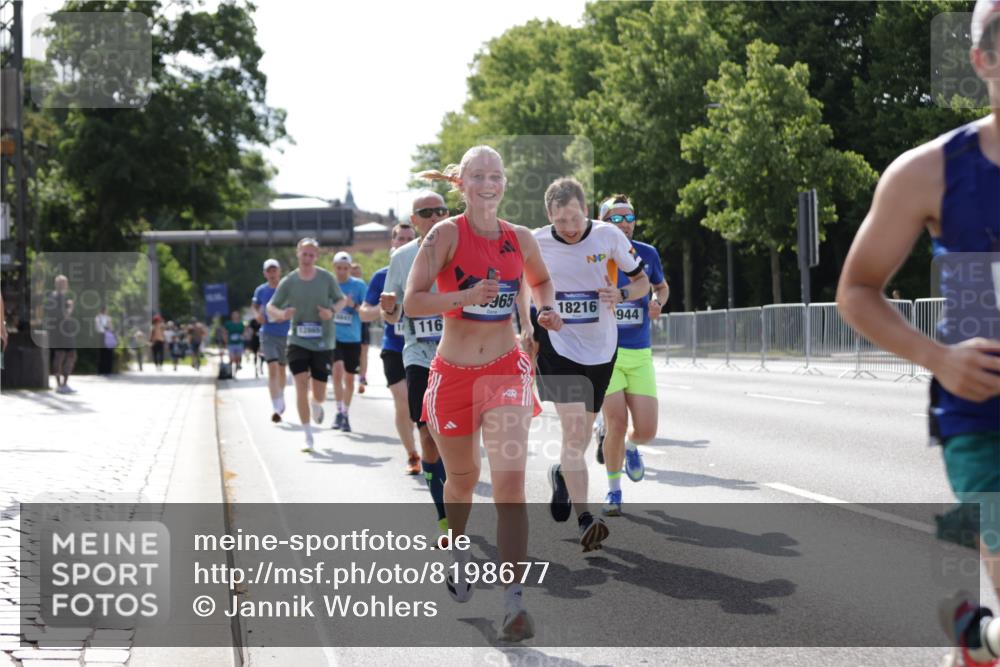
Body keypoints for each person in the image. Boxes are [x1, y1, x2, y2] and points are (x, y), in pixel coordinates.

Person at [837, 3, 1000, 665]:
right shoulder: (927, 172)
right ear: (983, 62)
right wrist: (936, 357)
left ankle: (977, 638)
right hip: (982, 412)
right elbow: (856, 289)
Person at [406, 145, 561, 642]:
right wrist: (466, 297)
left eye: (496, 175)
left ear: (505, 183)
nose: (488, 183)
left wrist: (545, 311)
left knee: (511, 486)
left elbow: (540, 282)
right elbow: (413, 301)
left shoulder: (520, 238)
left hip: (505, 372)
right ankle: (454, 548)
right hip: (452, 375)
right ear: (462, 184)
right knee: (462, 481)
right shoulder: (445, 234)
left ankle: (514, 604)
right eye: (478, 176)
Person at [529, 178, 649, 549]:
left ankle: (563, 474)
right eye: (561, 220)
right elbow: (522, 287)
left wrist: (622, 292)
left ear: (587, 210)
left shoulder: (608, 236)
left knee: (579, 438)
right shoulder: (534, 242)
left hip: (601, 348)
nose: (569, 227)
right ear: (549, 215)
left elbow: (642, 282)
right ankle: (585, 519)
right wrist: (535, 318)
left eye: (575, 218)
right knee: (573, 431)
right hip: (558, 345)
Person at [383, 195, 453, 536]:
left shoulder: (461, 248)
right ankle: (443, 514)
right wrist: (388, 309)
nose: (436, 216)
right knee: (427, 434)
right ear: (415, 220)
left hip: (460, 354)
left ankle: (456, 487)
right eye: (427, 213)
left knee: (456, 439)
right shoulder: (402, 257)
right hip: (418, 356)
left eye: (442, 211)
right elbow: (392, 312)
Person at [594, 194, 669, 516]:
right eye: (616, 218)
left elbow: (661, 287)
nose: (625, 224)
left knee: (648, 430)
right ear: (603, 221)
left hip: (638, 351)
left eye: (629, 218)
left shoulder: (647, 253)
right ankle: (613, 490)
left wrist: (658, 302)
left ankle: (632, 446)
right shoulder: (593, 255)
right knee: (615, 421)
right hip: (605, 353)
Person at [267, 237, 348, 452]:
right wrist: (282, 314)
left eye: (312, 254)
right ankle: (307, 435)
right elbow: (270, 306)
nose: (308, 258)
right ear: (298, 254)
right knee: (300, 384)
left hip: (323, 341)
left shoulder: (326, 278)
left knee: (319, 393)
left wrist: (330, 312)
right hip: (297, 340)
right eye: (304, 254)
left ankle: (316, 403)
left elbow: (342, 301)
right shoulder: (290, 281)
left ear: (316, 256)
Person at [359, 222, 421, 474]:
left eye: (410, 238)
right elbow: (364, 314)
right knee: (403, 401)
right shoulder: (381, 276)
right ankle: (412, 454)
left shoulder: (428, 270)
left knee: (424, 406)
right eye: (400, 238)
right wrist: (385, 309)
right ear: (393, 243)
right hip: (394, 347)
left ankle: (429, 447)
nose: (405, 242)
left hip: (424, 347)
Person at [331, 252, 367, 432]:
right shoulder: (329, 284)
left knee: (350, 378)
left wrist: (352, 305)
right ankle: (338, 410)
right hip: (333, 337)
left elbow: (366, 311)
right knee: (337, 371)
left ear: (350, 268)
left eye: (345, 268)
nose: (342, 271)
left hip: (353, 337)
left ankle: (345, 413)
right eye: (339, 268)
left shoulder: (359, 285)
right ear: (334, 268)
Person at [253, 259, 290, 423]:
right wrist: (258, 316)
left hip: (285, 333)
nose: (272, 274)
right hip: (267, 333)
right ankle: (276, 406)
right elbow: (255, 306)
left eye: (274, 270)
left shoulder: (286, 288)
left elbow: (295, 306)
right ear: (265, 273)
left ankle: (280, 396)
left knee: (282, 370)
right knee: (272, 368)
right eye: (269, 271)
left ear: (279, 271)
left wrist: (286, 315)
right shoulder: (261, 290)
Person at [46, 275, 78, 393]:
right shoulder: (57, 297)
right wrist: (71, 307)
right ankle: (61, 385)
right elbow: (64, 315)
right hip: (61, 331)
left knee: (65, 355)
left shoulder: (56, 297)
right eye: (64, 283)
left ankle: (62, 384)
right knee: (63, 356)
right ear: (59, 285)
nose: (66, 285)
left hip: (62, 331)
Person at [351, 262, 371, 393]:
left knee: (364, 351)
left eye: (358, 273)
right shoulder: (347, 287)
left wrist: (353, 305)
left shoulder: (365, 288)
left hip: (363, 323)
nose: (357, 276)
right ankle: (350, 374)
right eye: (354, 274)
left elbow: (366, 308)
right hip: (350, 325)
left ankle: (362, 378)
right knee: (353, 352)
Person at [94, 305, 114, 375]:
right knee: (107, 354)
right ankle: (107, 370)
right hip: (106, 335)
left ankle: (101, 370)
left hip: (101, 335)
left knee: (101, 353)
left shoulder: (98, 317)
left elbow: (97, 328)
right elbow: (111, 327)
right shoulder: (108, 318)